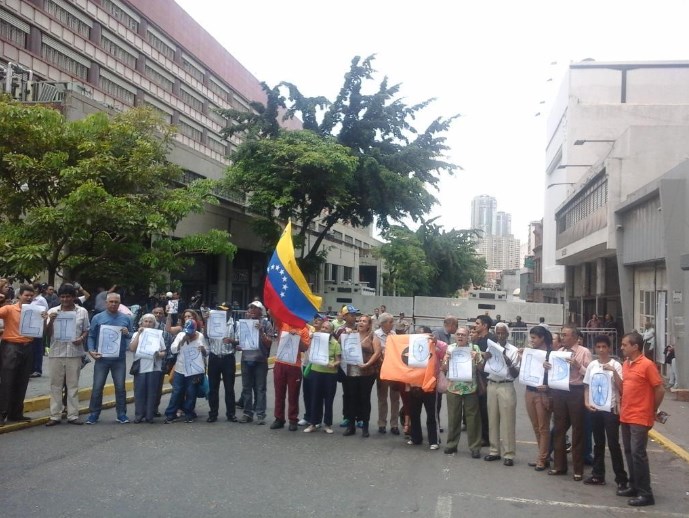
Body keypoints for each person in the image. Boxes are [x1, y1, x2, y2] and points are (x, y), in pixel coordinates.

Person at [616, 331, 665, 507]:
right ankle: (634, 485)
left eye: (624, 345)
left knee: (638, 454)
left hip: (640, 416)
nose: (621, 347)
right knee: (629, 452)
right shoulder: (626, 364)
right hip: (626, 414)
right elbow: (624, 388)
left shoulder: (647, 365)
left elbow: (659, 389)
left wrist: (652, 409)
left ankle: (646, 493)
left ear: (635, 347)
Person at [545, 324, 592, 480]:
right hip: (560, 391)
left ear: (574, 337)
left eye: (565, 335)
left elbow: (590, 375)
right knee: (559, 428)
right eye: (562, 335)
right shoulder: (559, 352)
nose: (562, 338)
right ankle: (559, 466)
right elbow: (553, 372)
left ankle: (578, 469)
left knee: (578, 430)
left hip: (576, 391)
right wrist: (547, 367)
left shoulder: (584, 352)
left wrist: (578, 367)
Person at [583, 334, 628, 489]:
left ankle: (621, 479)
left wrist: (613, 372)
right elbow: (587, 385)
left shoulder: (616, 365)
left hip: (611, 409)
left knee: (614, 444)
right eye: (598, 347)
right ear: (595, 348)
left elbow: (622, 388)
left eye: (604, 347)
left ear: (609, 348)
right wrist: (586, 402)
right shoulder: (592, 365)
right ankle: (598, 475)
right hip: (596, 408)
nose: (601, 350)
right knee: (598, 443)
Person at [45, 284, 90, 426]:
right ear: (59, 298)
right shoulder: (52, 311)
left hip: (74, 353)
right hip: (56, 352)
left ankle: (73, 415)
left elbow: (86, 330)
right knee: (55, 385)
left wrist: (81, 339)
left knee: (73, 385)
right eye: (62, 297)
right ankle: (55, 415)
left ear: (73, 297)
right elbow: (46, 333)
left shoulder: (82, 311)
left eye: (68, 296)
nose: (65, 299)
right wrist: (50, 320)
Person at [85, 292, 133, 424]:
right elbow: (91, 336)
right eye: (111, 302)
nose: (113, 304)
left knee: (120, 387)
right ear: (106, 303)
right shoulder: (97, 318)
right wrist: (91, 351)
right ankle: (94, 414)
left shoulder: (126, 318)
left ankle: (121, 414)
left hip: (119, 359)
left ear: (119, 303)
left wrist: (127, 333)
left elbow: (132, 335)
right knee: (97, 387)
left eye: (116, 302)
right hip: (101, 359)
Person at [0, 285, 41, 425]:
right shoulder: (9, 309)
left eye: (31, 296)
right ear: (19, 296)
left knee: (22, 380)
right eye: (26, 295)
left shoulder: (36, 311)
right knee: (7, 381)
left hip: (28, 346)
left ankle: (16, 413)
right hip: (11, 346)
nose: (29, 298)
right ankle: (2, 414)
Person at [483, 322, 520, 466]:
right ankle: (494, 451)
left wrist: (508, 361)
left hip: (506, 386)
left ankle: (509, 454)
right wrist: (485, 357)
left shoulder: (513, 350)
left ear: (507, 334)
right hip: (492, 384)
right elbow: (484, 367)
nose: (499, 336)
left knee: (508, 421)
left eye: (502, 333)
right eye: (497, 333)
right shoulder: (491, 347)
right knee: (492, 420)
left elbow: (515, 374)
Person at [442, 326, 484, 457]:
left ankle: (475, 447)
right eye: (458, 334)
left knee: (473, 419)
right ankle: (451, 445)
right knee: (453, 417)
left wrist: (476, 358)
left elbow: (481, 368)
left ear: (468, 337)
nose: (460, 337)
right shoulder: (450, 348)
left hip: (470, 388)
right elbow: (443, 368)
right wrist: (446, 360)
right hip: (453, 388)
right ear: (455, 336)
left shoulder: (474, 348)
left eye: (463, 335)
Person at [342, 314, 381, 437]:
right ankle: (351, 426)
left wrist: (367, 364)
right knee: (351, 398)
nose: (361, 323)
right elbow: (340, 343)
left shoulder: (373, 336)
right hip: (352, 371)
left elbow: (377, 352)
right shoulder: (351, 334)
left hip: (367, 372)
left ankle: (365, 426)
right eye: (360, 321)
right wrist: (346, 334)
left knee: (364, 398)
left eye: (364, 321)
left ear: (369, 325)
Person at [164, 313, 208, 423]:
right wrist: (182, 342)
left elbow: (207, 352)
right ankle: (171, 413)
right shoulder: (180, 335)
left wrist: (203, 349)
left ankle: (189, 413)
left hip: (194, 370)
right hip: (180, 368)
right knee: (177, 391)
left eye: (191, 333)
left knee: (191, 391)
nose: (190, 335)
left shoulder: (200, 336)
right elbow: (173, 350)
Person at [237, 301, 273, 424]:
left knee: (260, 388)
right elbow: (240, 341)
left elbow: (269, 343)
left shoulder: (266, 324)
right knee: (246, 388)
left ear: (260, 311)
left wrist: (261, 331)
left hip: (260, 360)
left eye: (254, 308)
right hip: (246, 359)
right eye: (250, 308)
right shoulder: (244, 323)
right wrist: (238, 345)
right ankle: (247, 413)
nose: (251, 310)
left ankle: (260, 415)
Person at [523, 325, 553, 471]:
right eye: (531, 337)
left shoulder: (551, 354)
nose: (532, 340)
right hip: (529, 390)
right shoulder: (531, 352)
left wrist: (547, 387)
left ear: (542, 338)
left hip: (543, 393)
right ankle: (543, 455)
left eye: (534, 338)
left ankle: (542, 458)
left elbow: (557, 375)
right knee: (536, 426)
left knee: (543, 427)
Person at [271, 322, 310, 431]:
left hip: (294, 365)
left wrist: (297, 337)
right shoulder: (282, 324)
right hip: (280, 363)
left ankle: (293, 420)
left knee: (293, 394)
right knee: (279, 394)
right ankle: (279, 419)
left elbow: (304, 348)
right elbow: (272, 313)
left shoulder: (303, 329)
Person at [407, 330, 442, 450]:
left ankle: (434, 440)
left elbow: (445, 352)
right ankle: (415, 437)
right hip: (414, 384)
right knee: (414, 413)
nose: (420, 336)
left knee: (431, 414)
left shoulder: (436, 344)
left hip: (429, 385)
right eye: (418, 333)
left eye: (423, 334)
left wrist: (436, 343)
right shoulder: (410, 345)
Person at [305, 320, 341, 434]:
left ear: (331, 331)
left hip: (330, 374)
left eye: (326, 328)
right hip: (316, 371)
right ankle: (313, 423)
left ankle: (328, 424)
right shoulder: (315, 340)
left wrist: (333, 364)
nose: (323, 329)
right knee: (315, 398)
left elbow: (338, 360)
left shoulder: (335, 343)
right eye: (323, 327)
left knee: (328, 400)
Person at [129, 313, 166, 423]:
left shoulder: (158, 335)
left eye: (150, 322)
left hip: (154, 366)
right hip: (140, 366)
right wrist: (139, 335)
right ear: (141, 322)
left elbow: (164, 352)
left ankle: (149, 415)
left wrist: (158, 354)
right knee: (139, 391)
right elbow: (132, 348)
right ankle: (139, 415)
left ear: (154, 324)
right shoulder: (136, 333)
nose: (148, 323)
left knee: (152, 391)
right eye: (146, 321)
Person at [206, 308, 238, 423]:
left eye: (225, 311)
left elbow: (240, 341)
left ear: (230, 312)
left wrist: (232, 341)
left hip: (228, 358)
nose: (222, 313)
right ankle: (213, 413)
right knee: (213, 388)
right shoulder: (212, 322)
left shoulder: (235, 324)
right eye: (220, 310)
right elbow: (206, 336)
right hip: (214, 357)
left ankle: (231, 414)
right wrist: (206, 321)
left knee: (229, 388)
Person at [375, 312, 400, 435]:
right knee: (382, 397)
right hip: (381, 369)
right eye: (391, 322)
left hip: (394, 370)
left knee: (395, 398)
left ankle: (394, 424)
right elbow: (376, 352)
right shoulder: (375, 335)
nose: (393, 324)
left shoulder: (394, 334)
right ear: (383, 323)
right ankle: (382, 423)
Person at [473, 314, 494, 446]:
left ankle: (486, 437)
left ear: (485, 325)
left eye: (477, 323)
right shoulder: (476, 339)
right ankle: (480, 434)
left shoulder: (491, 340)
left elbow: (490, 356)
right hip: (476, 377)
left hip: (486, 378)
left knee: (485, 409)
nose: (475, 326)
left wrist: (479, 354)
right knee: (478, 408)